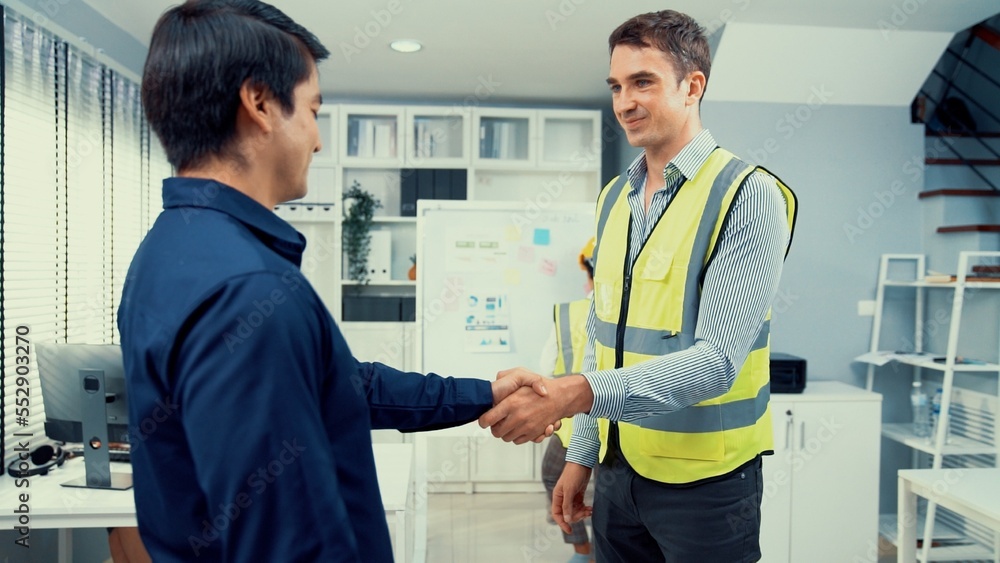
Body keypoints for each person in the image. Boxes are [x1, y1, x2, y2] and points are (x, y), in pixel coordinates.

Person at [117, 2, 548, 561]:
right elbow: (291, 544)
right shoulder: (247, 291)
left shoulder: (167, 252)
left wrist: (482, 395)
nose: (318, 141)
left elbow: (343, 387)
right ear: (261, 103)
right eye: (314, 111)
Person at [480, 9, 797, 562]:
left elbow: (718, 361)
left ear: (692, 86)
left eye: (643, 82)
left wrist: (575, 393)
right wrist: (582, 453)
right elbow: (601, 338)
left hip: (708, 487)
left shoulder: (746, 194)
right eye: (617, 86)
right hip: (617, 472)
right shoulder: (614, 199)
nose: (624, 102)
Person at [537, 238, 596, 563]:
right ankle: (601, 551)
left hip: (571, 424)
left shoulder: (567, 312)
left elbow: (546, 368)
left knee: (552, 477)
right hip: (620, 424)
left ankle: (582, 550)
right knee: (608, 494)